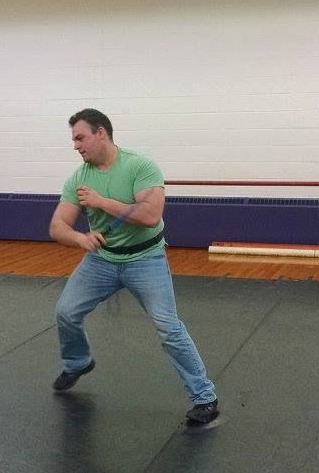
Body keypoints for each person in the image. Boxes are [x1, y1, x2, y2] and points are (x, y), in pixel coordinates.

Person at [49, 108, 219, 428]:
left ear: (101, 133)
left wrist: (100, 202)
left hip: (146, 259)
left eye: (80, 137)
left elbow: (151, 215)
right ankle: (78, 362)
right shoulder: (78, 178)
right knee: (65, 311)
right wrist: (78, 237)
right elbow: (57, 226)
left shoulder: (140, 166)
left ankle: (204, 397)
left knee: (168, 327)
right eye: (73, 139)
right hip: (101, 260)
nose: (76, 145)